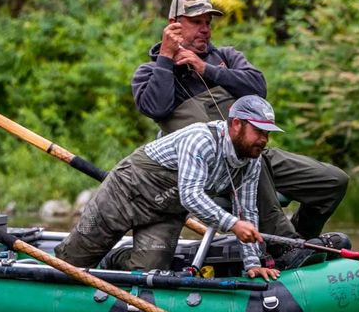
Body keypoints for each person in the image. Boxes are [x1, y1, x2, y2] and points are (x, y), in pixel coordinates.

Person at [131, 0, 349, 250]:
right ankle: (286, 245)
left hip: (256, 153)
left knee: (333, 182)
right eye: (196, 22)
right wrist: (166, 60)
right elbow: (156, 107)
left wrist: (207, 70)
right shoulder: (150, 73)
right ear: (173, 24)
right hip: (209, 171)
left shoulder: (227, 57)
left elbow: (259, 88)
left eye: (208, 23)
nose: (205, 30)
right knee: (253, 169)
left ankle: (297, 246)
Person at [54, 95, 281, 280]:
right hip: (125, 192)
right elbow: (191, 196)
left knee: (147, 276)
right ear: (237, 124)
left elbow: (247, 212)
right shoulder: (201, 139)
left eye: (267, 133)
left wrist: (253, 263)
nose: (264, 139)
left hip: (166, 214)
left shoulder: (252, 161)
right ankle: (96, 258)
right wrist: (232, 224)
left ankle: (114, 259)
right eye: (258, 131)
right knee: (71, 264)